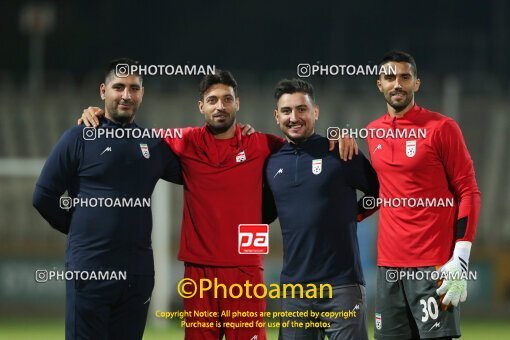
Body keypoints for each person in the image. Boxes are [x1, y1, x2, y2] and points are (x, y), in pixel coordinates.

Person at [79, 71, 358, 339]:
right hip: (199, 273)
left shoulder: (261, 144)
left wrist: (338, 134)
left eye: (227, 99)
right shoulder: (186, 140)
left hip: (246, 271)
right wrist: (102, 115)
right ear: (201, 107)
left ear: (237, 103)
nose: (220, 106)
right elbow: (135, 137)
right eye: (212, 100)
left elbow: (304, 143)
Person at [32, 58, 183, 339]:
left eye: (134, 88)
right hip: (90, 271)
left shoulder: (152, 143)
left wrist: (236, 138)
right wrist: (77, 226)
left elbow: (199, 173)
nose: (126, 94)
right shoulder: (79, 137)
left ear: (142, 93)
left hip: (137, 276)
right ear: (103, 91)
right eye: (119, 87)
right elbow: (43, 196)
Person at [367, 51, 481, 340]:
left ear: (416, 84)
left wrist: (461, 257)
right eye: (390, 77)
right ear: (379, 84)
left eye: (405, 77)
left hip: (433, 266)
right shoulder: (372, 132)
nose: (397, 84)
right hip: (388, 267)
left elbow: (468, 191)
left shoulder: (442, 128)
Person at [264, 79, 379, 340]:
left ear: (315, 112)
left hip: (342, 286)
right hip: (295, 292)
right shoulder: (271, 164)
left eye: (301, 109)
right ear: (277, 116)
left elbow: (380, 192)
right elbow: (263, 215)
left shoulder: (341, 152)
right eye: (286, 111)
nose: (294, 117)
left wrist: (356, 213)